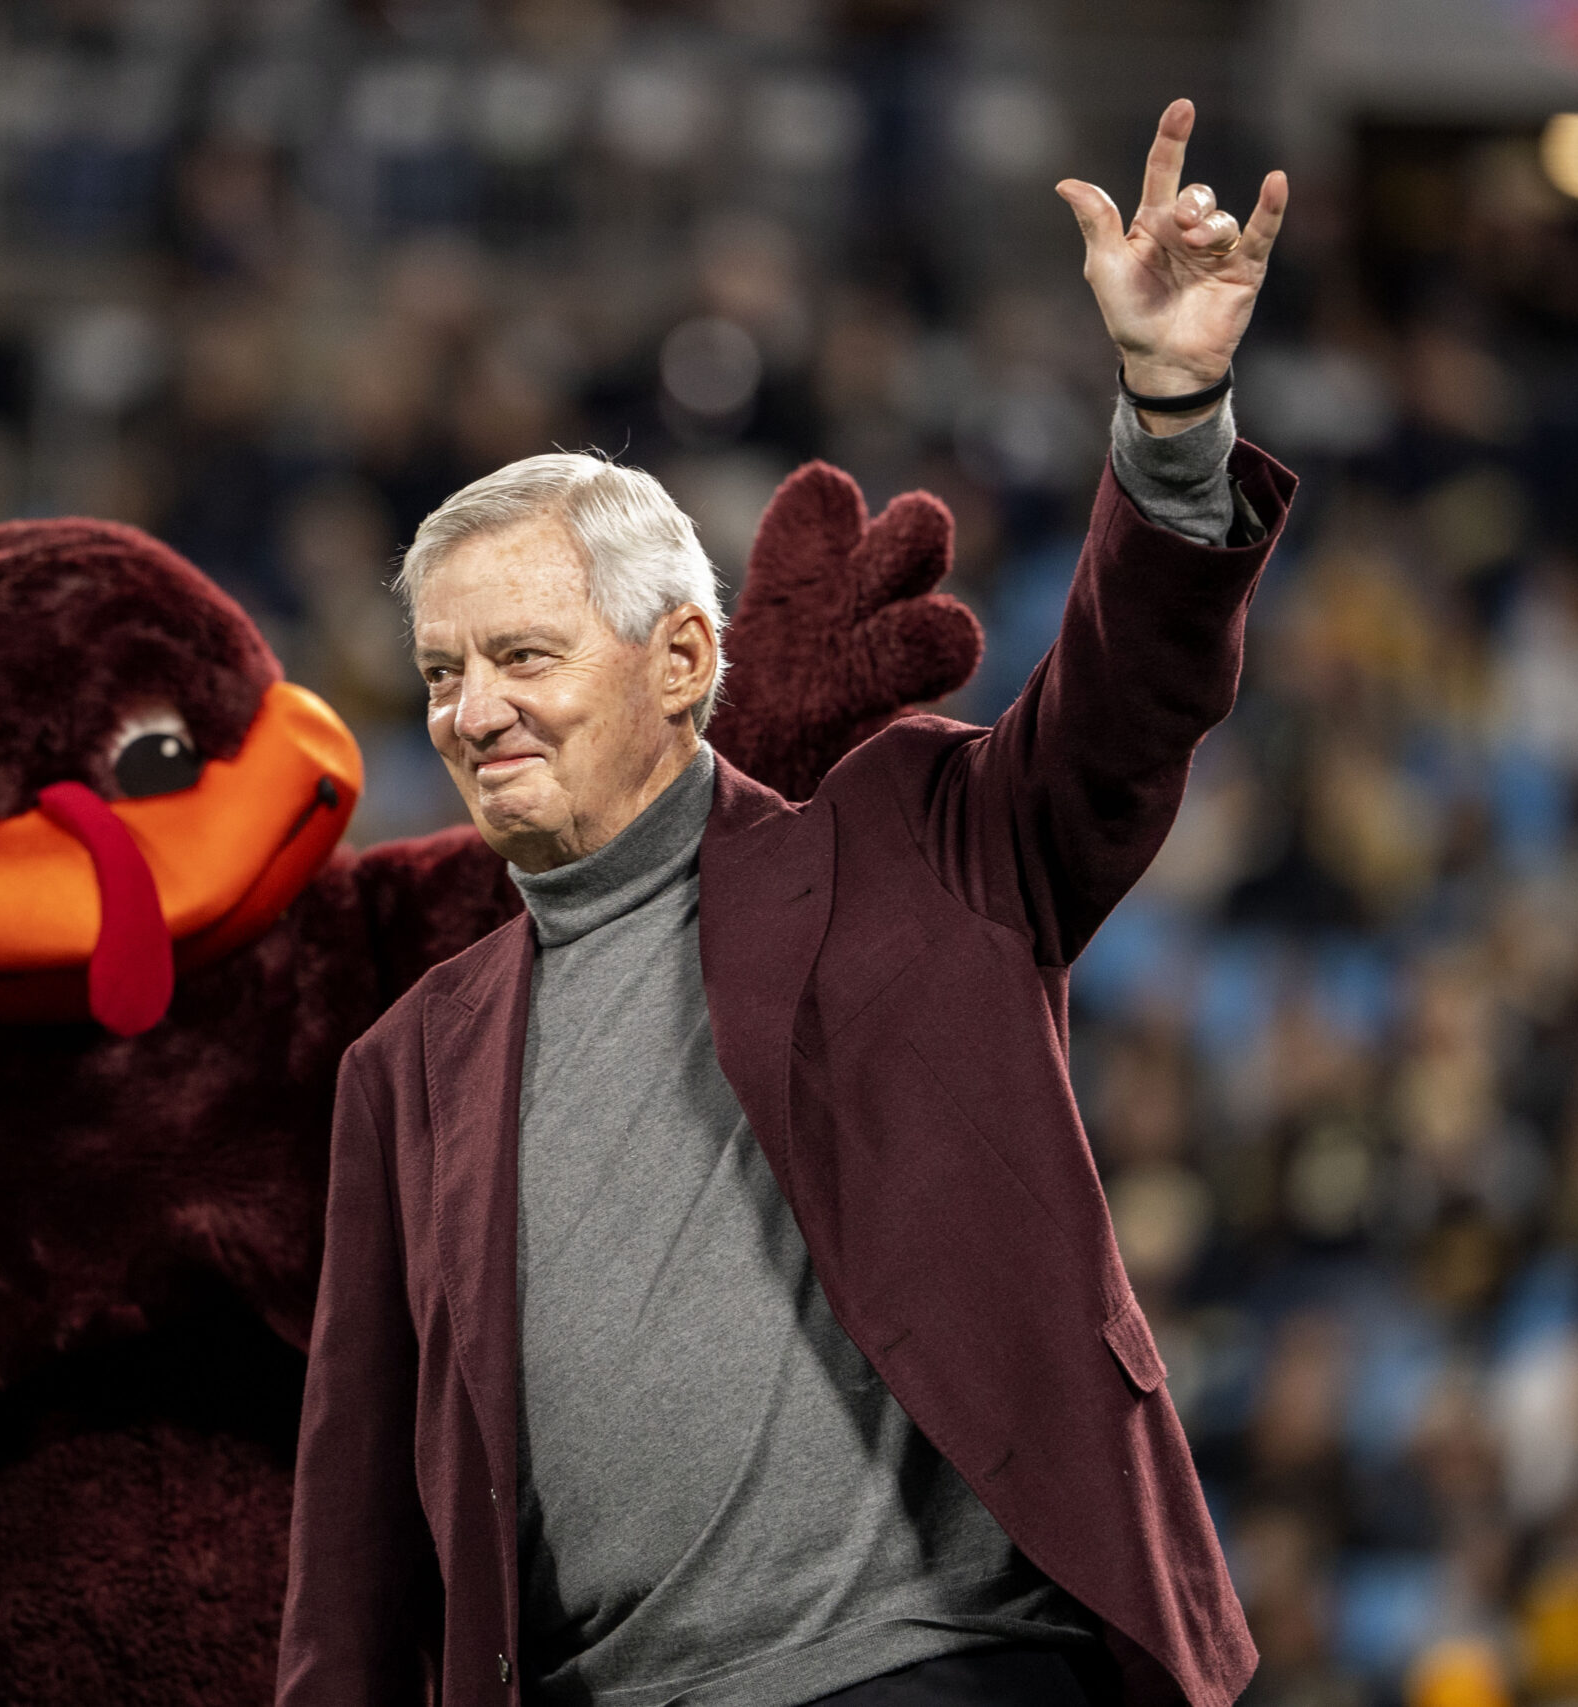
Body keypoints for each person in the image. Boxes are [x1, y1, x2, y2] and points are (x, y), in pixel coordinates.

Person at [279, 100, 1296, 1707]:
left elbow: (1122, 714)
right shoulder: (403, 1068)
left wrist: (1173, 416)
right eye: (440, 674)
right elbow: (351, 1564)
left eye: (522, 657)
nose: (472, 711)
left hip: (956, 1670)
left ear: (682, 658)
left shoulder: (907, 840)